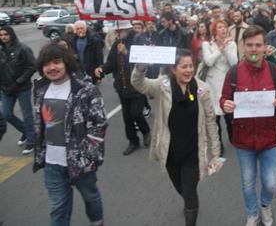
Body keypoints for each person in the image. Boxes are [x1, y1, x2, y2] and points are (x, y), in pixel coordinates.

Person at [131, 49, 221, 226]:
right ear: (173, 69)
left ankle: (190, 210)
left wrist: (216, 151)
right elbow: (139, 84)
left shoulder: (202, 89)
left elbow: (211, 119)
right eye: (183, 66)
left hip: (193, 151)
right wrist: (140, 67)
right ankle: (189, 202)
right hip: (170, 151)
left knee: (189, 191)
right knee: (180, 187)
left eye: (191, 66)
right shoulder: (162, 86)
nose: (189, 70)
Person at [220, 25, 276, 226]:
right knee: (248, 183)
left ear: (264, 47)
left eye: (258, 45)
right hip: (243, 141)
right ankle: (252, 214)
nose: (253, 49)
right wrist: (225, 105)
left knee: (270, 183)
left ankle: (266, 206)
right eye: (249, 45)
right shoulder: (233, 73)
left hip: (269, 139)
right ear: (243, 46)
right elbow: (224, 98)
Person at [33, 43, 107, 226]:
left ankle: (97, 221)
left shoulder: (86, 89)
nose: (52, 68)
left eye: (57, 62)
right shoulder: (39, 89)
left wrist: (88, 156)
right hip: (52, 163)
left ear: (66, 63)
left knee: (90, 197)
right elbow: (39, 125)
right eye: (47, 64)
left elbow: (99, 124)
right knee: (58, 207)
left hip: (80, 161)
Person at [95, 21, 151, 156]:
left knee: (136, 113)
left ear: (127, 29)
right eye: (116, 31)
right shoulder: (117, 43)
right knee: (127, 117)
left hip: (137, 85)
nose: (117, 33)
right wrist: (102, 69)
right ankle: (133, 141)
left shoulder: (138, 39)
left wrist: (126, 52)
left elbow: (144, 59)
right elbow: (111, 62)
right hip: (122, 85)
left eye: (119, 31)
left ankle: (146, 131)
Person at [202, 19, 238, 153]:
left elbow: (234, 63)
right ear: (214, 31)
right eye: (219, 27)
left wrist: (226, 48)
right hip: (212, 83)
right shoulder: (207, 44)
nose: (223, 29)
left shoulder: (232, 44)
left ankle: (233, 138)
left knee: (229, 115)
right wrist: (219, 49)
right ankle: (218, 144)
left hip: (226, 82)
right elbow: (209, 62)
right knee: (214, 117)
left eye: (225, 27)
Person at [0, 25, 36, 154]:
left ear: (11, 35)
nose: (3, 37)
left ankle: (32, 141)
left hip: (22, 88)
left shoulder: (23, 49)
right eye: (1, 35)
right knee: (6, 114)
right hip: (6, 89)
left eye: (6, 34)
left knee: (27, 115)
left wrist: (18, 82)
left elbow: (32, 67)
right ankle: (26, 132)